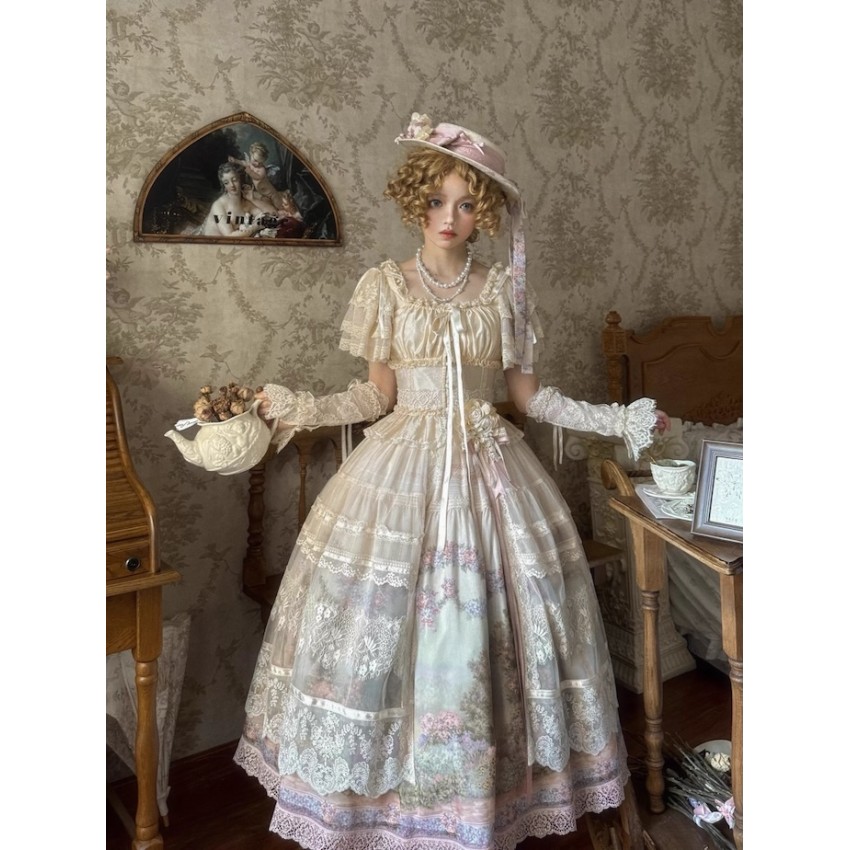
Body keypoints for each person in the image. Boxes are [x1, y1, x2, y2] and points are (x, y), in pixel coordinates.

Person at [234, 112, 669, 849]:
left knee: (497, 626)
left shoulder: (503, 292)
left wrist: (618, 419)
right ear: (415, 200)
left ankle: (484, 797)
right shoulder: (385, 286)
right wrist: (299, 408)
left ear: (484, 212)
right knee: (383, 629)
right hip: (401, 468)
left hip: (490, 470)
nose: (449, 217)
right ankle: (386, 808)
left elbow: (531, 398)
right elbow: (375, 395)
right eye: (436, 201)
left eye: (467, 204)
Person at [228, 141, 303, 222]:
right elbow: (243, 162)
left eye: (260, 162)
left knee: (280, 205)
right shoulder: (251, 164)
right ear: (251, 154)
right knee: (270, 208)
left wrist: (249, 171)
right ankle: (281, 216)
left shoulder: (262, 169)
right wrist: (235, 160)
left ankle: (293, 214)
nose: (257, 163)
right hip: (263, 194)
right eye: (255, 160)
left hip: (271, 194)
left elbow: (258, 177)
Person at [201, 162, 279, 238]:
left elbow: (273, 213)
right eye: (226, 183)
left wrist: (253, 199)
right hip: (214, 244)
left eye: (234, 180)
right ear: (224, 185)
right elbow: (229, 237)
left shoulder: (247, 198)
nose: (232, 185)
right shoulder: (218, 205)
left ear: (240, 179)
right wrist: (255, 227)